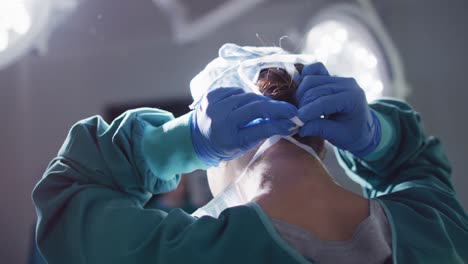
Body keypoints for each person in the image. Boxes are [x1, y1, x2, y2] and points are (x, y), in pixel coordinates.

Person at [33, 44, 468, 264]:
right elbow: (416, 163)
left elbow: (67, 197)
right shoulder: (436, 229)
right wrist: (377, 135)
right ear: (324, 136)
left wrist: (179, 143)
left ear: (222, 149)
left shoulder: (180, 252)